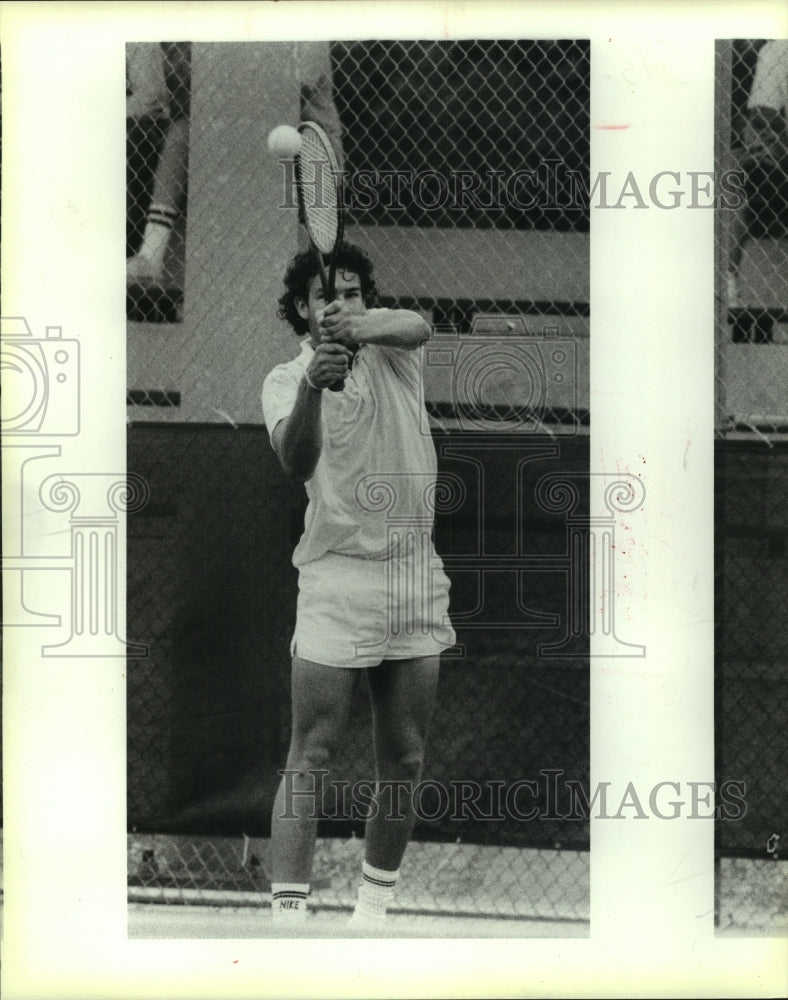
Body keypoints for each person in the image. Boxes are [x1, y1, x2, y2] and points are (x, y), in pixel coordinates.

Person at [261, 242, 455, 930]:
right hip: (336, 579)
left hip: (412, 575)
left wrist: (358, 327)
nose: (337, 303)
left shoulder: (396, 352)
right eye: (323, 296)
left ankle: (372, 912)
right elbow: (296, 461)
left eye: (349, 292)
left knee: (403, 755)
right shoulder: (284, 380)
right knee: (310, 751)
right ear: (299, 311)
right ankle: (288, 924)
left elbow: (418, 324)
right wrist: (317, 380)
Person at [727, 39, 788, 308]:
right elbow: (762, 112)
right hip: (777, 137)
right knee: (738, 179)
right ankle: (726, 275)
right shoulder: (778, 48)